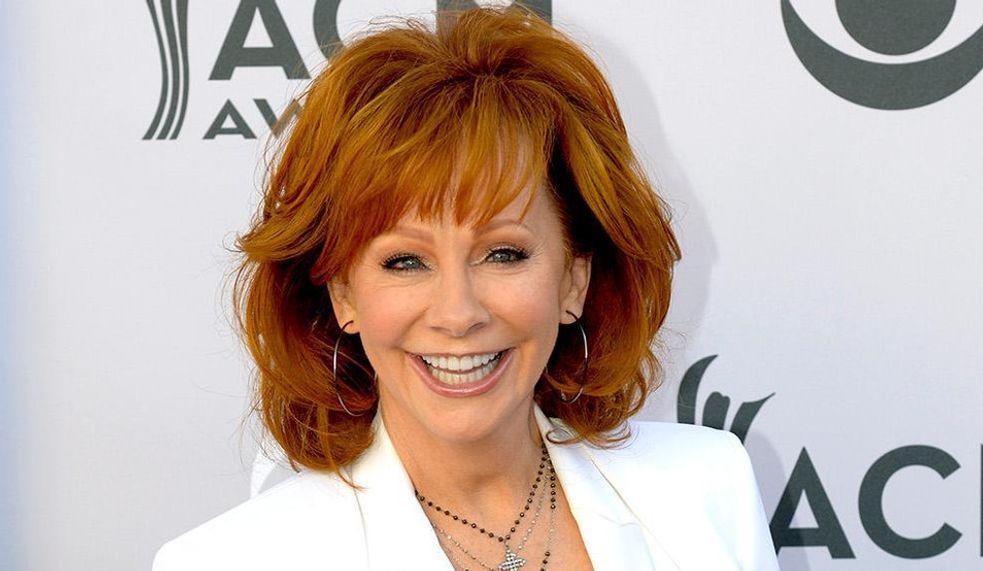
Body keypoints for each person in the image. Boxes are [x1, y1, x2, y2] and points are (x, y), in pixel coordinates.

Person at [153, 6, 779, 570]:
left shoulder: (706, 490)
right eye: (404, 262)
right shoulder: (229, 561)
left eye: (503, 253)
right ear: (341, 293)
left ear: (574, 278)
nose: (458, 313)